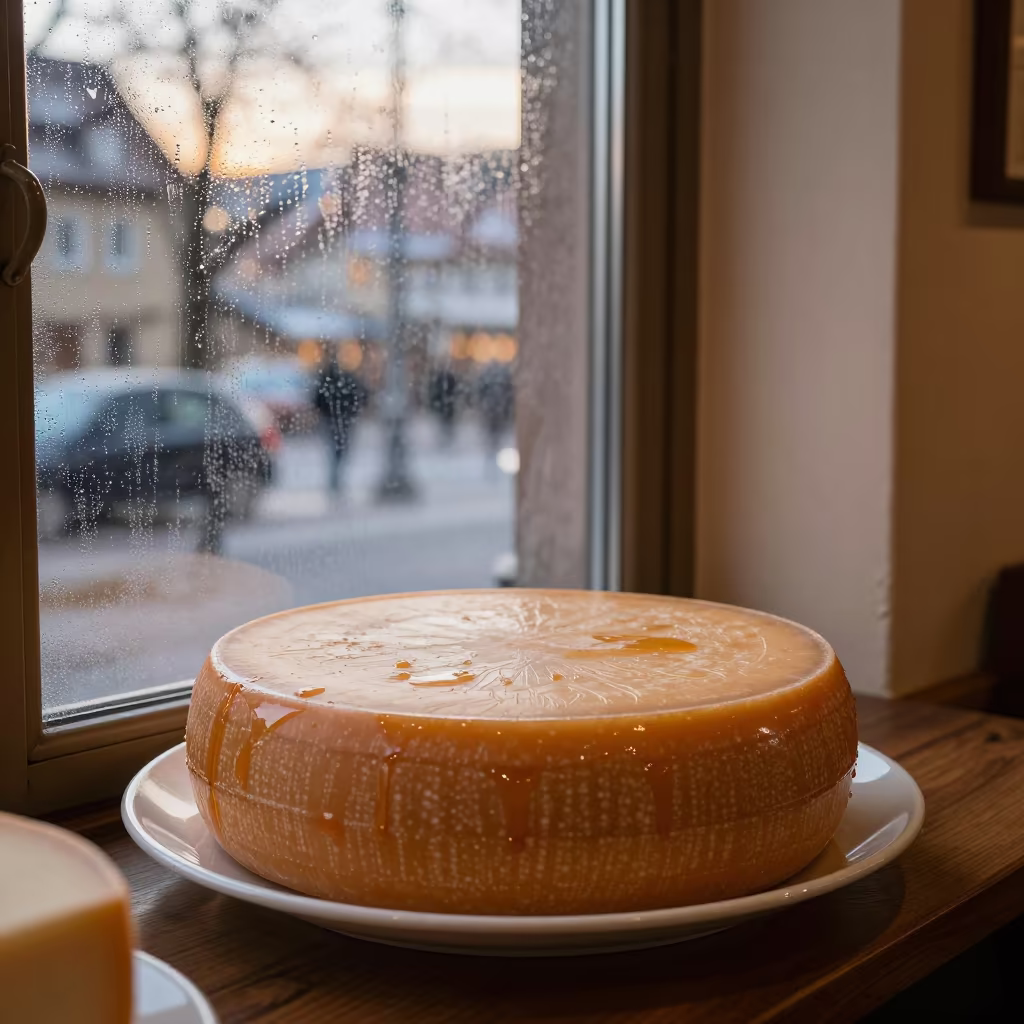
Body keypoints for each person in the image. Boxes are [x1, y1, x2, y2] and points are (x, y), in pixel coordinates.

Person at [314, 355, 368, 493]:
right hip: (343, 419)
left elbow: (317, 399)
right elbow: (359, 396)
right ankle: (337, 476)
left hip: (330, 419)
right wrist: (353, 411)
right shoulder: (347, 379)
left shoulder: (325, 379)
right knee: (340, 448)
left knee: (334, 448)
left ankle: (335, 476)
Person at [476, 361, 514, 459]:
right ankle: (493, 443)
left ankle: (494, 443)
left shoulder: (494, 380)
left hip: (495, 407)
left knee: (495, 427)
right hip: (493, 407)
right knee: (493, 427)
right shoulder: (493, 380)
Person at [428, 365, 459, 446]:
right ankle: (447, 436)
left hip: (445, 404)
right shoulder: (448, 378)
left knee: (445, 421)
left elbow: (435, 391)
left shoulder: (441, 378)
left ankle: (446, 436)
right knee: (446, 421)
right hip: (447, 404)